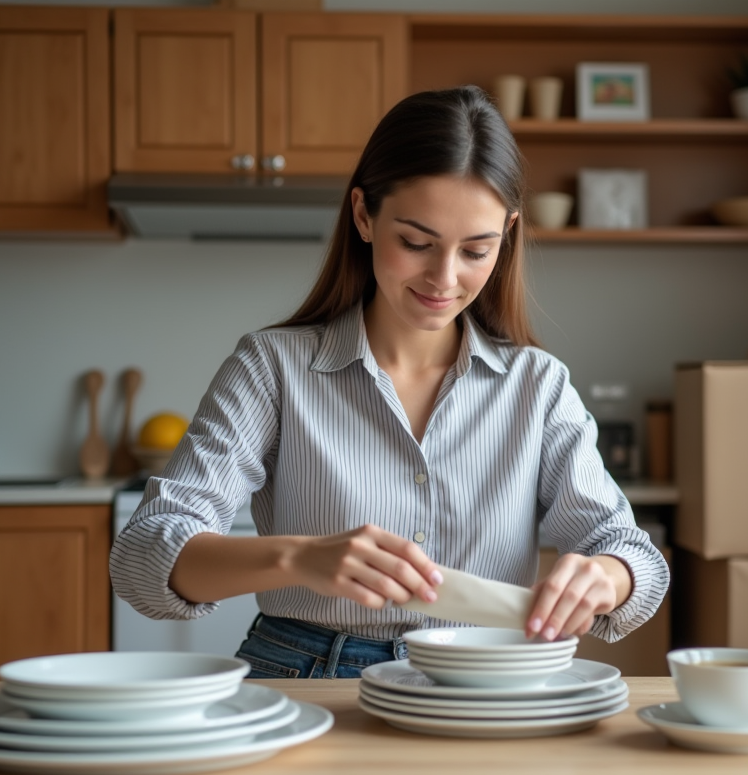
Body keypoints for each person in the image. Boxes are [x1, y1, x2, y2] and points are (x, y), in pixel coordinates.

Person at [109, 85, 670, 680]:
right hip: (307, 673)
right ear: (363, 216)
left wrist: (605, 575)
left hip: (490, 680)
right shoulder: (271, 367)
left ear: (506, 235)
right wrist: (300, 556)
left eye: (476, 250)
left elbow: (634, 555)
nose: (444, 278)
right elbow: (143, 556)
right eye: (416, 242)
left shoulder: (538, 385)